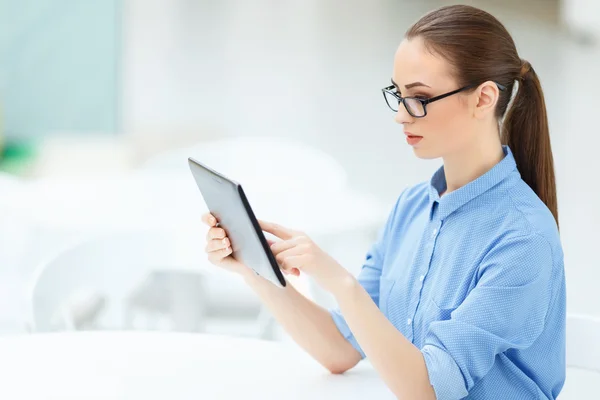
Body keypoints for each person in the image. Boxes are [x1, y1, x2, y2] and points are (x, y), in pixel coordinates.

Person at [201, 4, 565, 399]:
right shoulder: (412, 208)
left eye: (419, 98)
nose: (401, 117)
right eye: (399, 95)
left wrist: (339, 280)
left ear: (483, 99)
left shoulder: (523, 240)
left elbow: (426, 390)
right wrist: (255, 269)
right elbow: (339, 348)